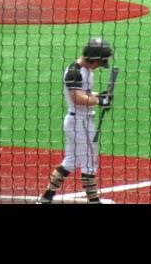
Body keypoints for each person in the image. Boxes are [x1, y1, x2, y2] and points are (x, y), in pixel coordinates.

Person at [37, 37, 114, 204]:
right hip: (80, 123)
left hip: (78, 122)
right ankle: (94, 201)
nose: (100, 65)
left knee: (70, 162)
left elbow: (85, 92)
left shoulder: (85, 71)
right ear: (92, 58)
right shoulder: (74, 72)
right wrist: (100, 101)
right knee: (89, 164)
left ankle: (46, 198)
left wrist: (100, 96)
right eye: (100, 62)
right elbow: (77, 98)